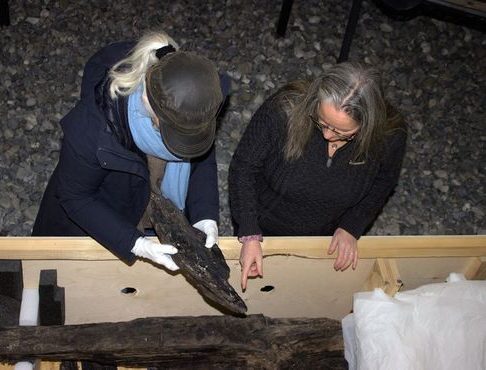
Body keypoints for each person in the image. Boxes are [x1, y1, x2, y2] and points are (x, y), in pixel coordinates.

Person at [33, 31, 226, 272]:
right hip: (102, 217)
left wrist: (205, 215)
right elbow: (75, 197)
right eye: (177, 133)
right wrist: (135, 243)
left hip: (139, 200)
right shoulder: (91, 129)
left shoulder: (195, 96)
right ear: (147, 100)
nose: (185, 142)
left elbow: (201, 155)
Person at [228, 62, 407, 290]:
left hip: (324, 236)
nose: (327, 135)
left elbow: (384, 181)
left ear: (368, 126)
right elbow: (244, 167)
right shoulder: (283, 110)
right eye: (321, 122)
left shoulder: (390, 136)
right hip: (265, 224)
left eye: (342, 133)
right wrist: (249, 233)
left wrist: (352, 226)